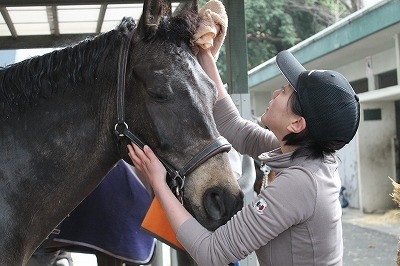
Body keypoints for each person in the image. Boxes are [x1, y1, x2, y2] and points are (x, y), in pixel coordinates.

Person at [127, 49, 360, 265]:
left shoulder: (301, 183)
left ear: (297, 124)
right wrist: (205, 52)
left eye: (285, 91)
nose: (276, 92)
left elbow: (211, 253)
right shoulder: (303, 154)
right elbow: (234, 126)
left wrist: (158, 183)